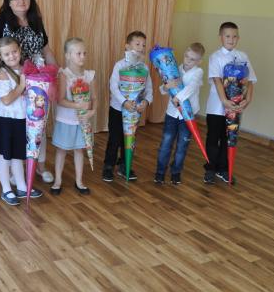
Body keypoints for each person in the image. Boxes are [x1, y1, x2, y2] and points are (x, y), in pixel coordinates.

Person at [0, 0, 56, 183]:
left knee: (38, 125)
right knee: (15, 128)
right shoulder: (0, 21)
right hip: (10, 80)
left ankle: (39, 166)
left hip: (36, 83)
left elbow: (46, 50)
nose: (21, 1)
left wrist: (57, 73)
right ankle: (14, 172)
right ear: (8, 2)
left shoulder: (35, 21)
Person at [0, 37, 43, 206]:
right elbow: (6, 100)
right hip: (4, 120)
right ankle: (6, 189)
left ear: (20, 50)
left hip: (21, 118)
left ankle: (22, 186)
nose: (11, 56)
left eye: (14, 52)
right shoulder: (2, 73)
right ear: (1, 57)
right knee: (5, 156)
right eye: (7, 54)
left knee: (18, 155)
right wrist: (22, 85)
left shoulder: (26, 69)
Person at [204, 22, 256, 184]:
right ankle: (210, 169)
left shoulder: (243, 56)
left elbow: (250, 80)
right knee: (213, 138)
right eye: (227, 36)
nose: (231, 39)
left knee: (229, 138)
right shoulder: (215, 57)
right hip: (216, 107)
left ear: (238, 38)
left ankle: (224, 169)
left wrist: (248, 99)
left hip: (235, 107)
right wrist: (224, 101)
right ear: (220, 37)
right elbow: (217, 81)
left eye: (234, 36)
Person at [102, 31, 153, 182]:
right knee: (115, 139)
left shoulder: (144, 68)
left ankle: (125, 165)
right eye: (137, 44)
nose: (141, 48)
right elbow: (113, 86)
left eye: (143, 45)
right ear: (127, 46)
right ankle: (108, 166)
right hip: (118, 109)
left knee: (130, 139)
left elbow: (149, 89)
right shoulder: (119, 65)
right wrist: (124, 102)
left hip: (133, 112)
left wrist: (146, 102)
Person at [154, 43, 205, 185]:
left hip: (187, 116)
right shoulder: (175, 68)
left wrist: (178, 98)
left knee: (182, 146)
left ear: (199, 61)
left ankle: (175, 172)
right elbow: (162, 90)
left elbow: (191, 87)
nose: (188, 60)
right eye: (187, 56)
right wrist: (167, 86)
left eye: (192, 59)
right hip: (172, 114)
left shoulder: (198, 72)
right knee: (166, 144)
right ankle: (160, 172)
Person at [50, 37, 96, 196]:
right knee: (61, 150)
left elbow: (94, 98)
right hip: (66, 120)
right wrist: (78, 105)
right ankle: (57, 180)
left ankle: (79, 181)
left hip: (83, 121)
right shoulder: (64, 75)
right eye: (78, 53)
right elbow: (60, 100)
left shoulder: (89, 75)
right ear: (68, 55)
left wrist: (92, 111)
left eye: (84, 53)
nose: (82, 56)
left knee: (79, 150)